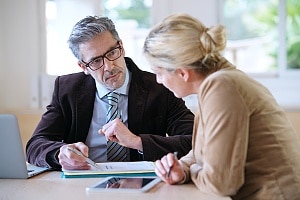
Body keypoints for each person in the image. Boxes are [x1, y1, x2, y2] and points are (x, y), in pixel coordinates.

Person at [143, 13, 300, 200]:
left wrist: (192, 169)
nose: (159, 81)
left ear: (182, 73)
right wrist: (182, 168)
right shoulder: (218, 81)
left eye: (158, 73)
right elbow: (202, 152)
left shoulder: (222, 86)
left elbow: (221, 183)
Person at [26, 16, 194, 170]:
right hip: (82, 182)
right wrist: (59, 153)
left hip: (141, 182)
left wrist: (138, 142)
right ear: (83, 67)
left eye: (112, 53)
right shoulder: (67, 89)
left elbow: (196, 140)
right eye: (96, 61)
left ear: (121, 46)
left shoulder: (159, 87)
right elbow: (35, 145)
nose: (109, 66)